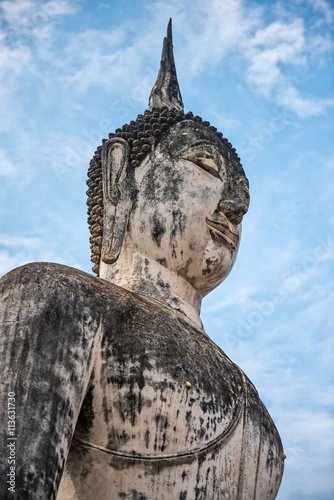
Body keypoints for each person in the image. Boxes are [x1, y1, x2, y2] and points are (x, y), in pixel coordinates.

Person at [0, 20, 284, 500]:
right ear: (121, 181)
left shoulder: (262, 425)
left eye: (244, 199)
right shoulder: (56, 301)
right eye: (205, 166)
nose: (234, 205)